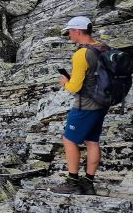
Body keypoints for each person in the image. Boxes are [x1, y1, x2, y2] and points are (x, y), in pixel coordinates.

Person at [50, 16, 109, 195]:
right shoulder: (103, 47)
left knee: (69, 140)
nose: (69, 35)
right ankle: (88, 183)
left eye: (70, 31)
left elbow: (75, 87)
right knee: (92, 141)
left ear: (77, 31)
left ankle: (72, 182)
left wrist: (65, 83)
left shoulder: (81, 54)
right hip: (102, 102)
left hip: (86, 105)